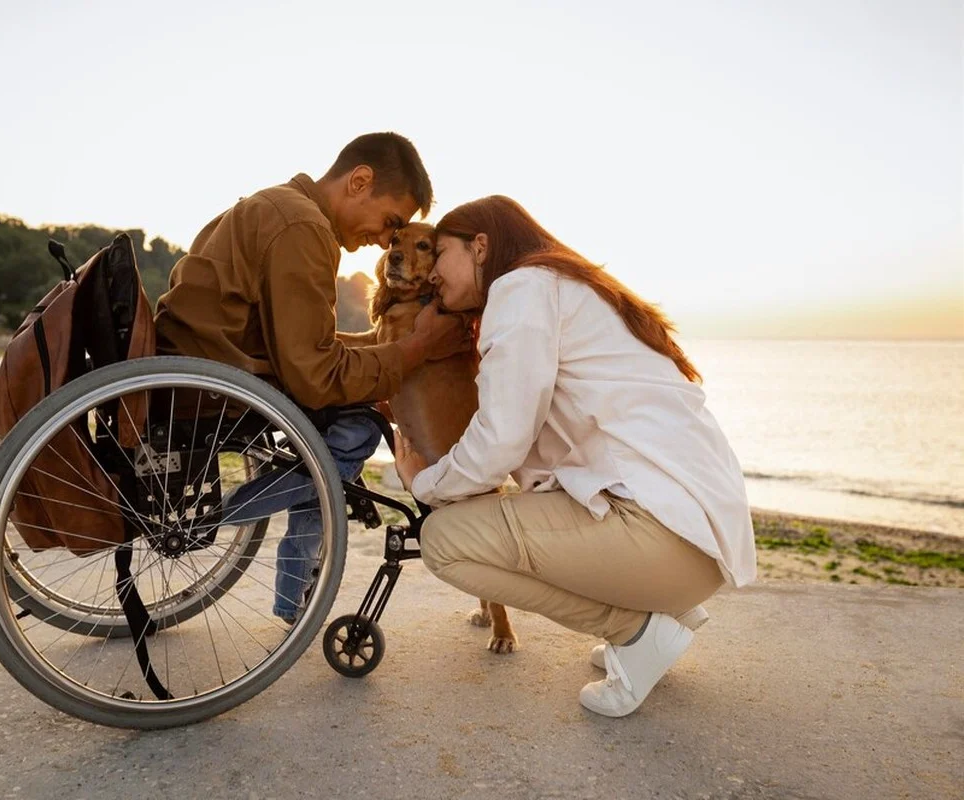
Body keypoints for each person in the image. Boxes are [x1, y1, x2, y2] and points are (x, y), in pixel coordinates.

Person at [392, 195, 756, 718]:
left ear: (480, 247)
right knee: (517, 520)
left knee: (443, 542)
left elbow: (502, 440)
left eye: (440, 254)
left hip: (662, 541)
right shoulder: (566, 286)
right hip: (693, 542)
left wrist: (423, 482)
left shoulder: (519, 290)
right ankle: (654, 613)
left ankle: (637, 631)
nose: (433, 276)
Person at [154, 132, 472, 623]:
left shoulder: (274, 205)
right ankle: (228, 526)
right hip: (218, 385)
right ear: (360, 181)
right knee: (358, 428)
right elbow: (313, 375)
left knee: (339, 420)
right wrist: (416, 349)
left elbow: (309, 347)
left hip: (209, 365)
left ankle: (292, 591)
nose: (387, 241)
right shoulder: (302, 227)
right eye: (391, 223)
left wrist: (395, 351)